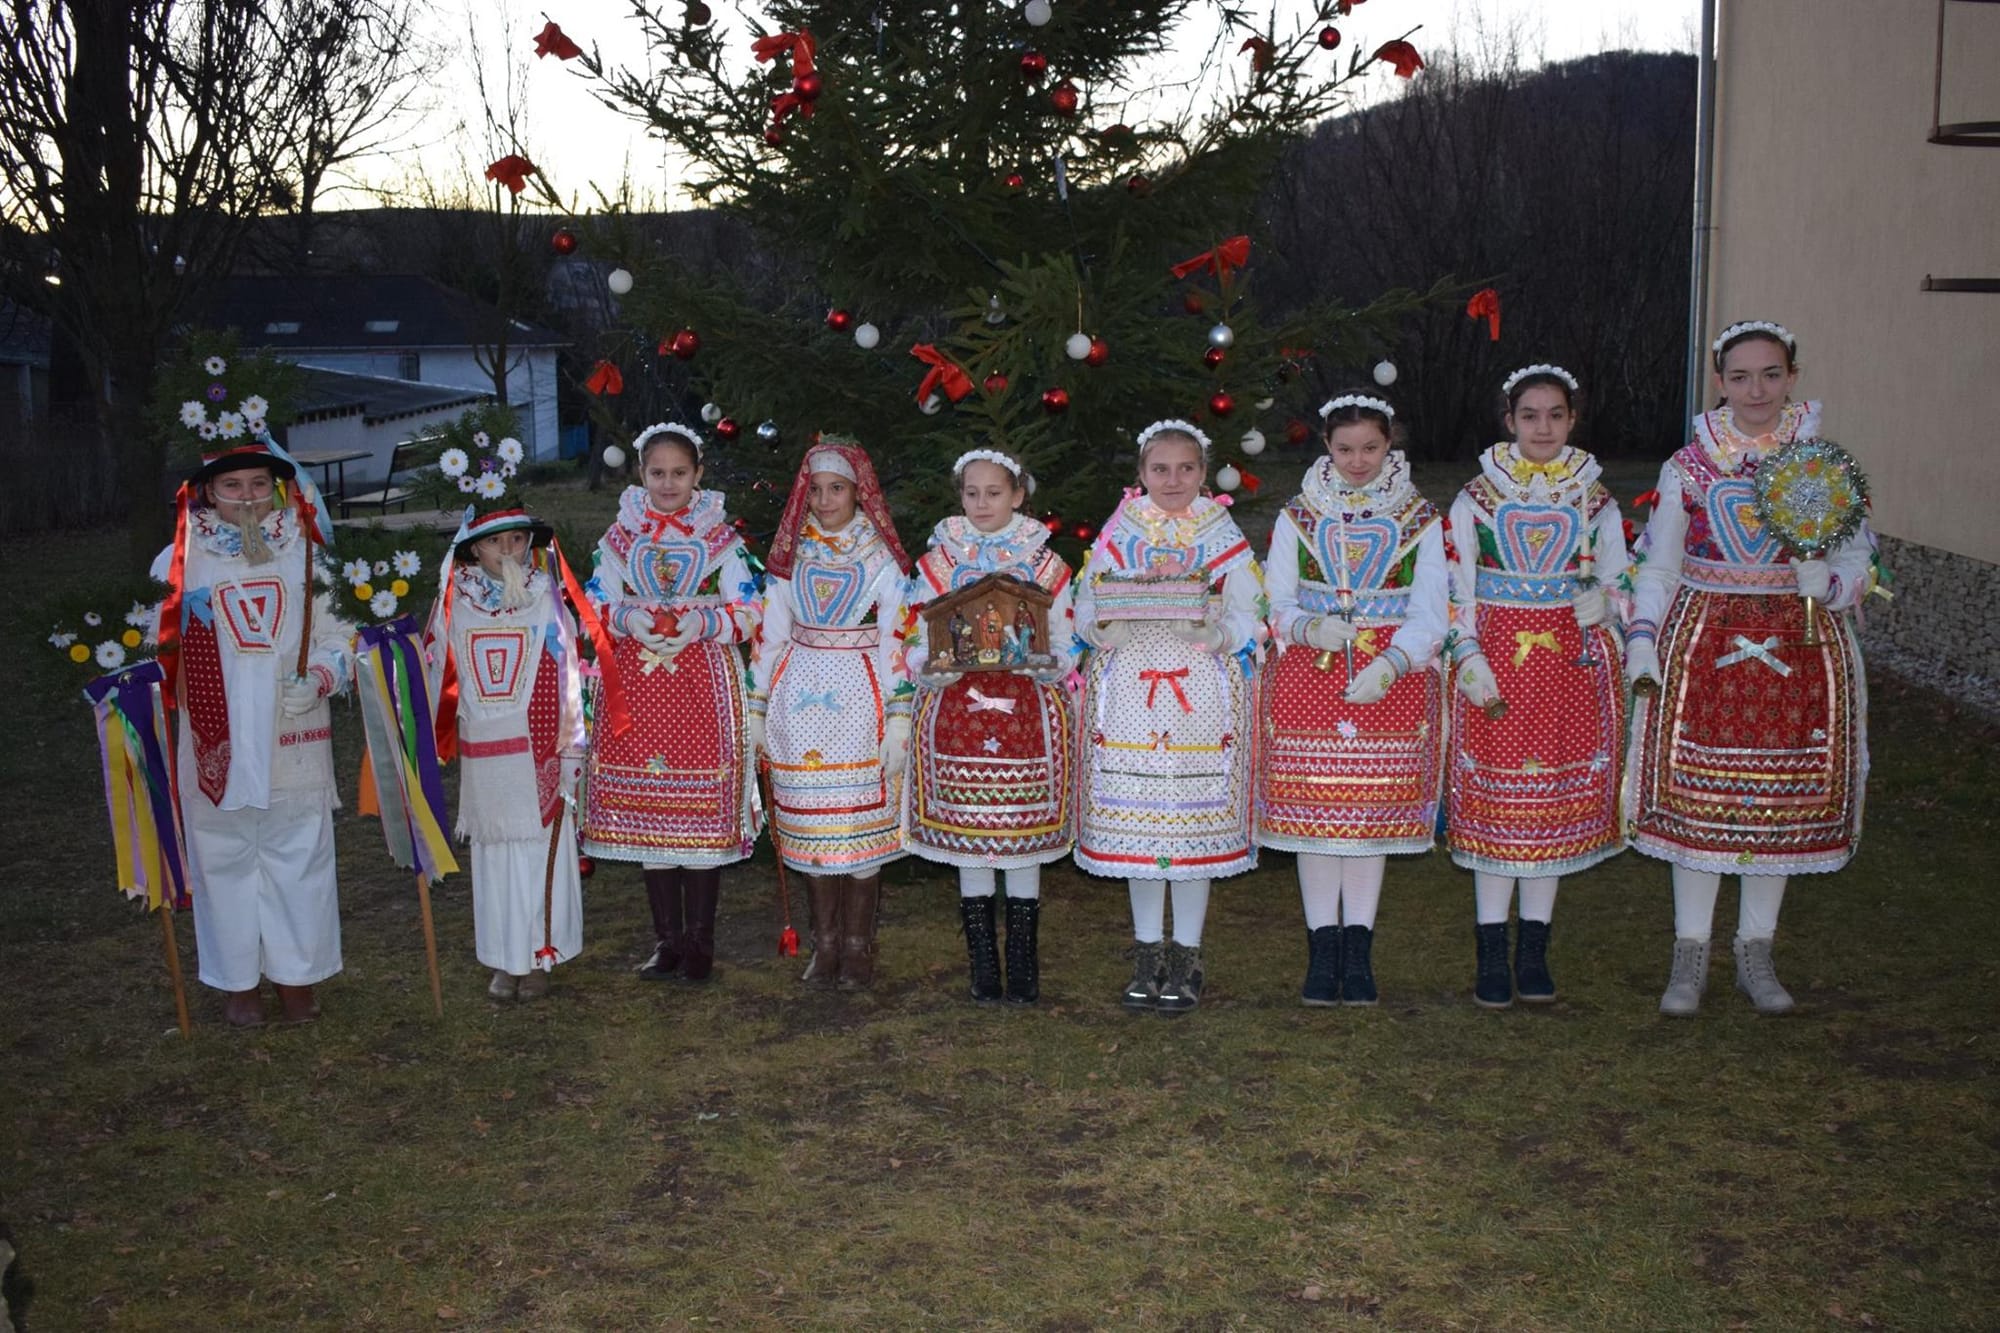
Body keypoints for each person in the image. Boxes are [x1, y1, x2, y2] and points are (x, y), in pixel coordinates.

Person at [1626, 320, 1879, 1016]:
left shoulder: (1821, 463)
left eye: (1770, 374)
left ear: (1791, 376)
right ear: (1720, 382)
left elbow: (1861, 558)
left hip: (1799, 647)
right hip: (1707, 641)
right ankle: (1690, 953)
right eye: (1741, 376)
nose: (1756, 389)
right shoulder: (1689, 466)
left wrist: (1826, 580)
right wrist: (1644, 634)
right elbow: (1660, 561)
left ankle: (1755, 951)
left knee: (1776, 801)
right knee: (1700, 797)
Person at [152, 409, 354, 1027]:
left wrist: (324, 674)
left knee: (300, 853)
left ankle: (298, 977)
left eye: (259, 485)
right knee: (225, 857)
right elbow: (155, 646)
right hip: (218, 735)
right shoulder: (178, 562)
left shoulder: (307, 552)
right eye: (232, 486)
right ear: (208, 491)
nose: (247, 498)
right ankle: (238, 981)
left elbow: (340, 633)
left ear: (278, 488)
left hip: (291, 729)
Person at [1445, 366, 1629, 1008]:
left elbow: (1621, 577)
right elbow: (1455, 585)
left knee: (1549, 806)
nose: (1543, 427)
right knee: (1500, 808)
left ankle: (1535, 946)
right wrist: (1466, 654)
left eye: (1555, 415)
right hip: (1498, 664)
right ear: (1510, 421)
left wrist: (1605, 604)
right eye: (1530, 415)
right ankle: (1492, 947)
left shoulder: (1595, 499)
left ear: (1572, 420)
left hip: (1568, 672)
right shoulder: (1477, 498)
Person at [1258, 394, 1448, 1008]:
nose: (1358, 460)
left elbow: (1431, 609)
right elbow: (1277, 599)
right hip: (1312, 681)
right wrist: (1306, 628)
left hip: (1388, 682)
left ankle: (1358, 952)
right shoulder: (1298, 515)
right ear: (1326, 447)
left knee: (1367, 823)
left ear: (1390, 444)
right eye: (1345, 449)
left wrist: (1395, 660)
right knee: (1318, 824)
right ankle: (1322, 952)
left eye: (1371, 448)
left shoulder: (1421, 518)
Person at [1074, 420, 1263, 1015]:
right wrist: (1108, 625)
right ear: (1141, 474)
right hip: (1130, 692)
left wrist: (1215, 630)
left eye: (1186, 469)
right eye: (1161, 469)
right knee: (1141, 826)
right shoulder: (1118, 531)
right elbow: (1084, 608)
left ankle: (1187, 955)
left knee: (1189, 826)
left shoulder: (1222, 533)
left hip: (1201, 696)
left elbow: (1252, 613)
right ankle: (1146, 952)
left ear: (1204, 474)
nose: (1173, 480)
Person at [581, 423, 761, 983]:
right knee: (653, 816)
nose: (667, 484)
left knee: (698, 817)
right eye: (657, 473)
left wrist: (701, 623)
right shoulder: (620, 538)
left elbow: (750, 608)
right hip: (635, 684)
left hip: (701, 685)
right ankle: (668, 942)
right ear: (641, 474)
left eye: (679, 473)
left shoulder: (720, 539)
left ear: (698, 475)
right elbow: (593, 598)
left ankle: (700, 944)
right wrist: (626, 617)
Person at [902, 448, 1078, 1004]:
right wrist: (925, 667)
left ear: (1018, 495)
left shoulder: (1047, 566)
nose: (982, 503)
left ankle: (1023, 959)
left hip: (1027, 712)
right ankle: (983, 960)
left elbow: (1067, 636)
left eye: (994, 493)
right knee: (972, 839)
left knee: (1019, 837)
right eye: (972, 493)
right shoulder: (937, 564)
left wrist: (1051, 662)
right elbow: (912, 632)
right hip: (956, 710)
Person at [748, 438, 913, 989]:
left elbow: (898, 636)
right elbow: (769, 636)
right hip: (799, 698)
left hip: (861, 696)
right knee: (815, 828)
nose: (824, 499)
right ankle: (824, 945)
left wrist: (898, 715)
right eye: (814, 489)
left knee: (857, 822)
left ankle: (858, 945)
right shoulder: (788, 554)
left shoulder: (880, 556)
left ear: (858, 491)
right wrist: (758, 708)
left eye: (836, 488)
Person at [427, 492, 589, 1001]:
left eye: (517, 540)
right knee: (496, 850)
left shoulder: (549, 596)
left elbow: (568, 674)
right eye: (495, 542)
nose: (509, 551)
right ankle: (504, 956)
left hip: (541, 744)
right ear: (474, 551)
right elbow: (436, 667)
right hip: (489, 749)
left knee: (542, 847)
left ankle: (542, 953)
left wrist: (572, 743)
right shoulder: (456, 603)